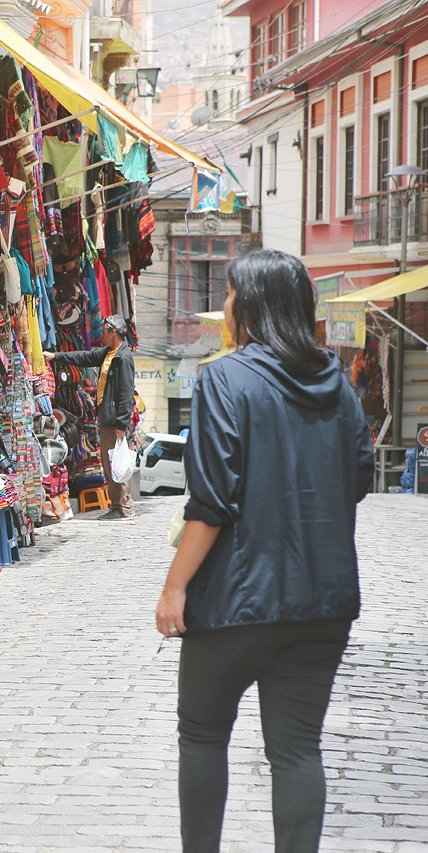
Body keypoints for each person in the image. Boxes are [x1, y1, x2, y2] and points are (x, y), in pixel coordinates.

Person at [154, 250, 374, 852]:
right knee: (298, 749)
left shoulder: (224, 378)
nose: (224, 307)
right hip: (322, 605)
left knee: (202, 735)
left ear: (248, 306)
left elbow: (211, 501)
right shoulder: (341, 387)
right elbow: (357, 483)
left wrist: (174, 588)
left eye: (228, 295)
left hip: (234, 603)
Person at [44, 313, 136, 519]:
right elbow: (85, 357)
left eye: (104, 331)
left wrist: (121, 422)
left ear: (113, 332)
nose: (101, 335)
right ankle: (120, 505)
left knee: (114, 462)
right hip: (107, 417)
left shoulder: (123, 357)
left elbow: (126, 392)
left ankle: (121, 506)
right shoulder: (109, 353)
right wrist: (56, 356)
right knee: (108, 461)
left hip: (114, 421)